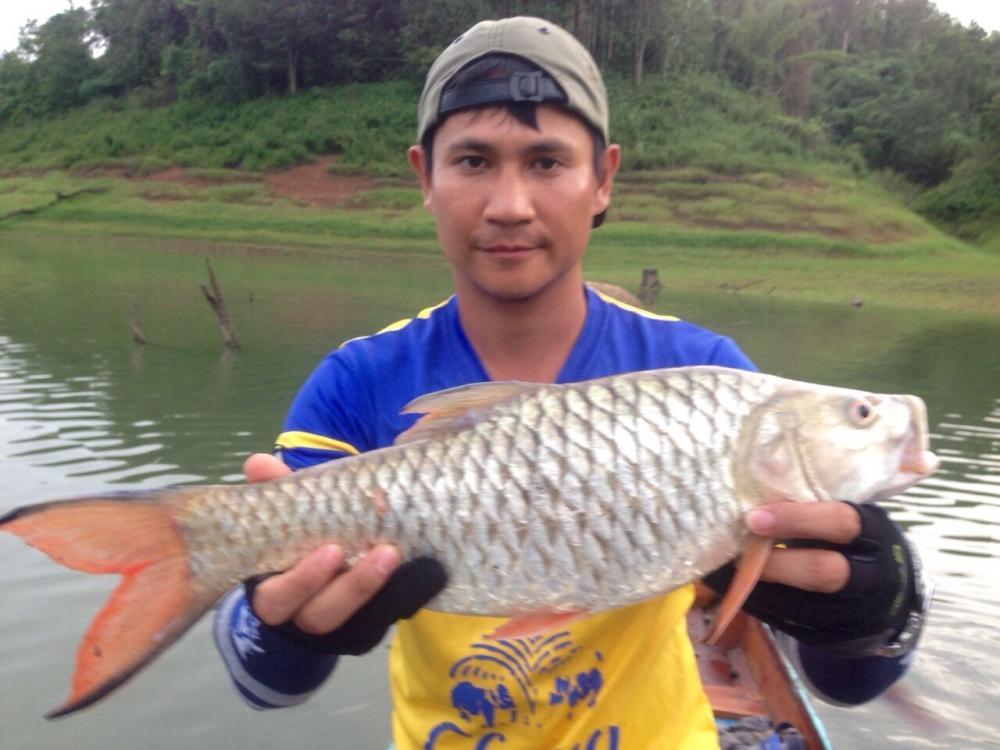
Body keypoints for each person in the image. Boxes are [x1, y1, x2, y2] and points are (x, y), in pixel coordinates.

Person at [213, 16, 930, 749]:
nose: (510, 205)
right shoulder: (359, 381)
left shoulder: (705, 377)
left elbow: (846, 683)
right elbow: (263, 683)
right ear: (425, 178)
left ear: (603, 180)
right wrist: (287, 629)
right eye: (473, 161)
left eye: (548, 162)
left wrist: (882, 608)